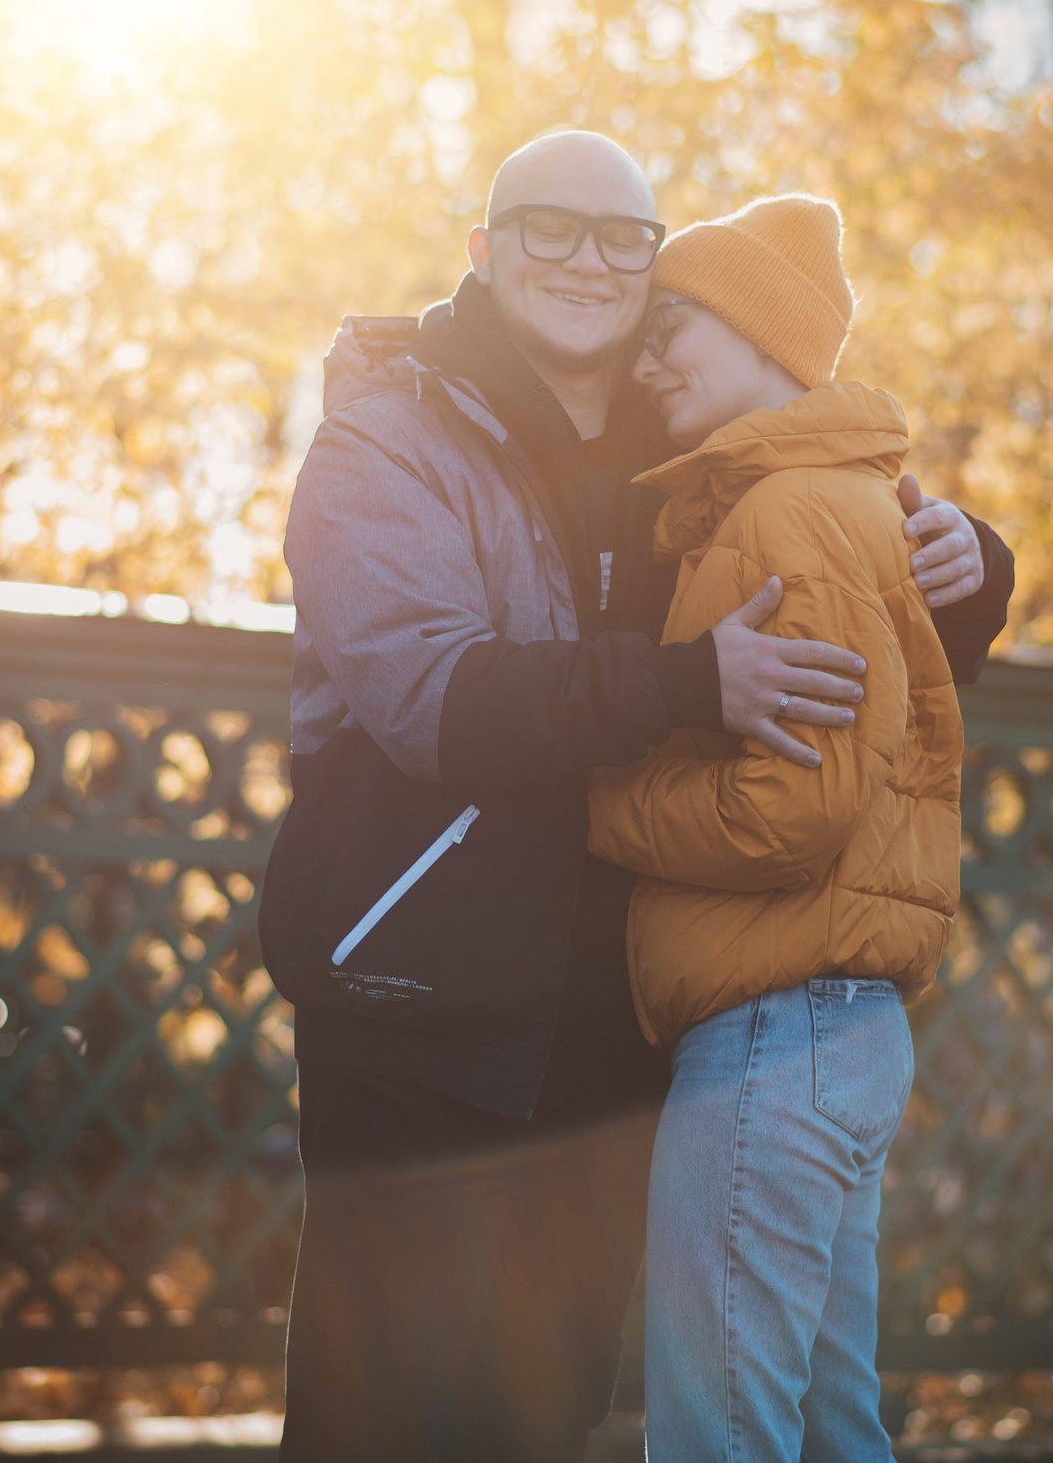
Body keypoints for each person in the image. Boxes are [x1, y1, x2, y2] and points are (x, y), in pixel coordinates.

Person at [261, 131, 1011, 1463]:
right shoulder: (386, 439)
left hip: (608, 1035)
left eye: (624, 239)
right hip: (418, 1007)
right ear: (484, 251)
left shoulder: (689, 453)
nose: (588, 261)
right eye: (547, 228)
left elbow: (838, 631)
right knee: (375, 1421)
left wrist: (971, 564)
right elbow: (431, 694)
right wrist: (680, 682)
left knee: (539, 1420)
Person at [587, 194, 963, 1462]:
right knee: (825, 1431)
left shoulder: (786, 511)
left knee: (721, 1438)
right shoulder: (839, 500)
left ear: (763, 335)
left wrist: (598, 803)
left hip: (768, 1027)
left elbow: (790, 806)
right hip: (832, 1026)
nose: (645, 362)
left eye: (671, 328)